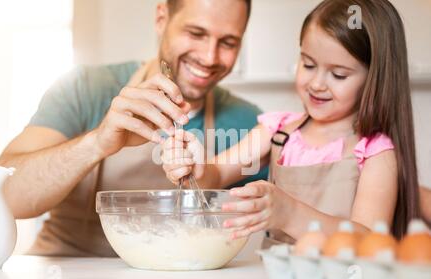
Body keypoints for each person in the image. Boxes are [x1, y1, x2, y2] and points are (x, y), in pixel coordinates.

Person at [0, 0, 267, 256]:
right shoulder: (83, 88)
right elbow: (5, 197)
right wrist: (97, 142)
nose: (209, 57)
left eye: (228, 42)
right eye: (196, 33)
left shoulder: (249, 125)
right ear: (162, 19)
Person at [162, 0, 420, 245]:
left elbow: (369, 240)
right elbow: (215, 175)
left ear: (374, 78)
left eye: (338, 75)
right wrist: (197, 166)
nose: (317, 83)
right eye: (308, 65)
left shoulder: (376, 152)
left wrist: (290, 213)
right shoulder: (276, 132)